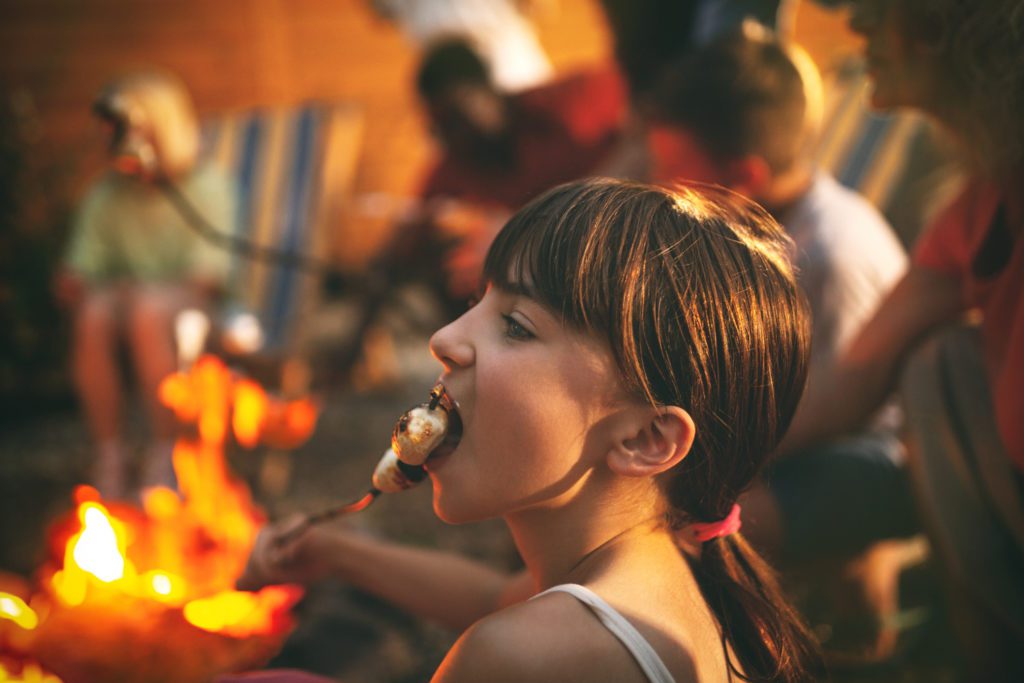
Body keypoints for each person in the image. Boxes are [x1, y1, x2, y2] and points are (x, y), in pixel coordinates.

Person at [240, 178, 822, 682]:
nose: (444, 339)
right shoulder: (681, 565)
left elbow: (503, 621)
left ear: (645, 440)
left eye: (515, 326)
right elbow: (493, 596)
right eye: (478, 301)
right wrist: (338, 554)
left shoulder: (517, 656)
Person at [779, 0, 1024, 674]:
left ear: (956, 28)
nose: (857, 29)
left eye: (879, 11)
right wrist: (705, 458)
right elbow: (855, 374)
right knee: (937, 367)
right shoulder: (982, 205)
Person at [645, 27, 914, 570]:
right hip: (775, 432)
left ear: (744, 176)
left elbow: (838, 410)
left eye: (675, 167)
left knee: (679, 526)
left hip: (868, 456)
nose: (660, 182)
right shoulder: (740, 225)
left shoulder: (834, 252)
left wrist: (696, 465)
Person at [56, 70, 235, 499]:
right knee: (94, 313)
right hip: (129, 310)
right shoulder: (106, 194)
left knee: (147, 311)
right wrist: (85, 284)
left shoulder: (206, 185)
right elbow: (73, 278)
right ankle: (110, 454)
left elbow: (206, 279)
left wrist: (129, 291)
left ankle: (167, 451)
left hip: (200, 320)